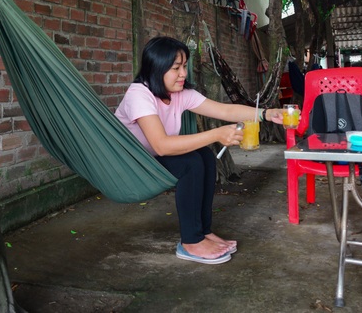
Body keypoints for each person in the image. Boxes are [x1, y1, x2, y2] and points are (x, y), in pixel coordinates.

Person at [115, 36, 288, 265]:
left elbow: (225, 111)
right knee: (191, 164)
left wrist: (266, 114)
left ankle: (203, 232)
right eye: (176, 68)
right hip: (132, 163)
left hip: (155, 157)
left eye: (184, 66)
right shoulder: (139, 94)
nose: (183, 74)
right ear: (156, 68)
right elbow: (161, 145)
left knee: (205, 157)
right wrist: (216, 134)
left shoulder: (179, 94)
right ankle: (190, 241)